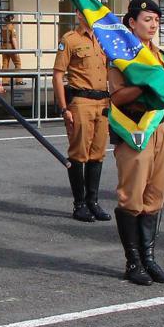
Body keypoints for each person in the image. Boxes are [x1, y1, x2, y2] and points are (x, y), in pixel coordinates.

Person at [109, 0, 164, 285]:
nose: (153, 25)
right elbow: (117, 96)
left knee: (156, 194)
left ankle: (149, 258)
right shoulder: (122, 57)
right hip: (136, 129)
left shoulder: (160, 58)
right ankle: (133, 261)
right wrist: (144, 84)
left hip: (160, 129)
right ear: (132, 23)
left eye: (157, 20)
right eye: (147, 19)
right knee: (132, 196)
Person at [53, 13, 111, 223]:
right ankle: (79, 204)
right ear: (78, 14)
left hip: (103, 102)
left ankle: (92, 202)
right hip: (81, 101)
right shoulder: (70, 39)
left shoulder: (103, 38)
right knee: (79, 154)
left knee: (98, 154)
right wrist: (63, 108)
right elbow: (58, 74)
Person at [0, 13, 24, 84]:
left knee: (5, 64)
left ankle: (5, 81)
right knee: (17, 63)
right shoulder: (12, 28)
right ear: (11, 19)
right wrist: (16, 50)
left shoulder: (3, 27)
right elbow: (13, 39)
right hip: (10, 46)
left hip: (4, 46)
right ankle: (19, 80)